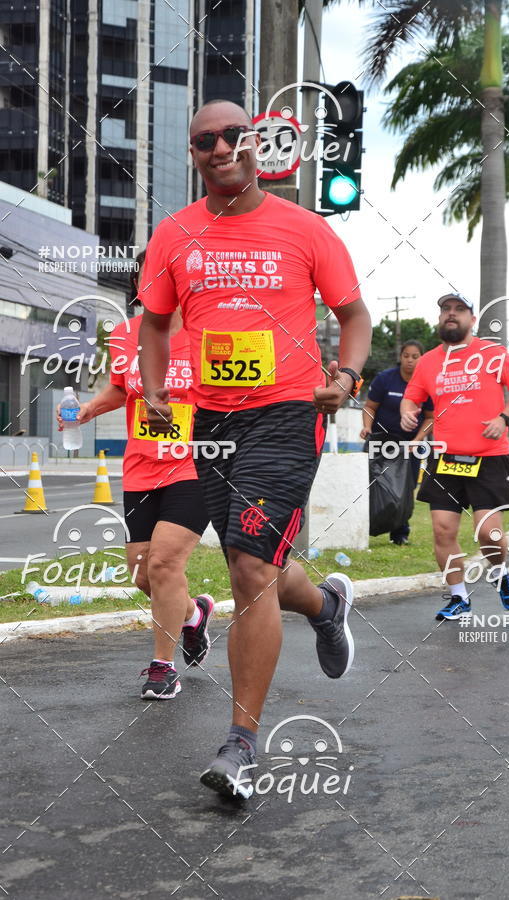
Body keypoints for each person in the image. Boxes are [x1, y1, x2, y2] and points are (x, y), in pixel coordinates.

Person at [138, 99, 372, 801]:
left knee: (246, 565)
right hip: (212, 419)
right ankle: (327, 609)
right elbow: (153, 322)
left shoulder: (306, 229)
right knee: (263, 565)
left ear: (255, 142)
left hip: (287, 414)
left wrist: (347, 376)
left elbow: (354, 315)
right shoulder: (174, 234)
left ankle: (240, 744)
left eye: (230, 135)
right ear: (194, 152)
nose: (219, 148)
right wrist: (154, 388)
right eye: (204, 139)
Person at [57, 252, 213, 700]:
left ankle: (162, 667)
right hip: (141, 469)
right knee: (144, 575)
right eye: (150, 274)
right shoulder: (125, 334)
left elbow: (237, 394)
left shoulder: (207, 333)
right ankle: (192, 615)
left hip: (194, 464)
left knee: (165, 563)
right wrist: (88, 409)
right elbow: (118, 388)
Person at [401, 293, 509, 620]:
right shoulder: (428, 361)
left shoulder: (491, 353)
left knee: (488, 532)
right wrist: (407, 412)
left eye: (459, 310)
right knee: (443, 530)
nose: (451, 314)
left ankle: (500, 574)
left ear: (472, 319)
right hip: (445, 458)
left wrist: (505, 418)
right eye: (445, 309)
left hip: (489, 456)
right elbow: (412, 397)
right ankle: (458, 597)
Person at [360, 339, 434, 543]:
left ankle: (400, 533)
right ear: (400, 357)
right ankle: (364, 528)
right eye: (406, 356)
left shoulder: (425, 383)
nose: (410, 360)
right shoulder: (385, 379)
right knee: (372, 483)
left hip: (408, 446)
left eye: (415, 357)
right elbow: (369, 407)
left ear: (422, 359)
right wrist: (367, 426)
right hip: (380, 441)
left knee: (406, 487)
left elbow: (430, 417)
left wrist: (418, 441)